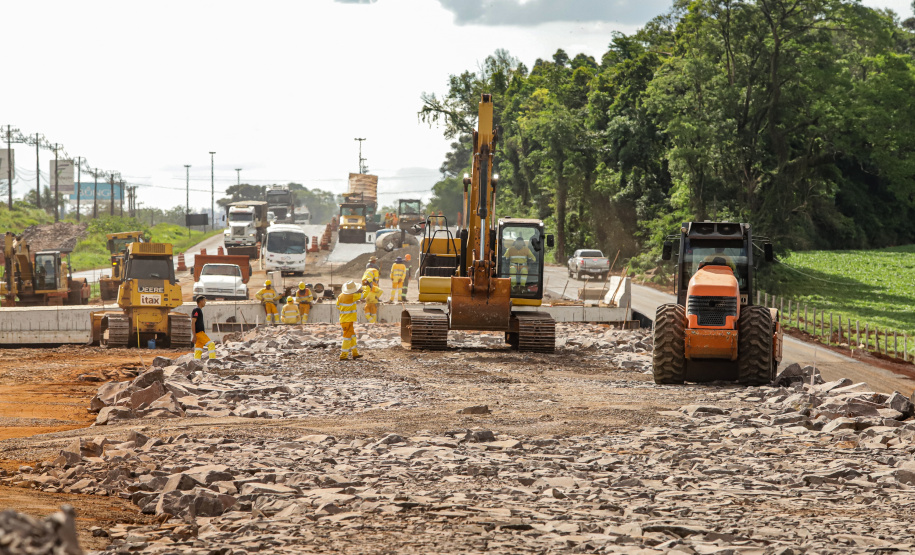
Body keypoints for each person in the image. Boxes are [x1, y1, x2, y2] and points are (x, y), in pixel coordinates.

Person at [336, 280, 363, 360]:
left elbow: (337, 306)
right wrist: (367, 286)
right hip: (348, 320)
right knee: (347, 337)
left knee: (352, 336)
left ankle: (355, 353)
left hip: (344, 319)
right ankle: (343, 355)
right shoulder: (352, 296)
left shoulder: (340, 296)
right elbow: (364, 295)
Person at [191, 295, 216, 360]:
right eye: (204, 301)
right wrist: (194, 335)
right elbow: (193, 322)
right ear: (200, 301)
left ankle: (196, 362)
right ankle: (212, 361)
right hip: (199, 333)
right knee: (211, 344)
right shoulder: (196, 310)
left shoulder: (199, 310)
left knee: (198, 349)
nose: (205, 302)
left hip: (198, 334)